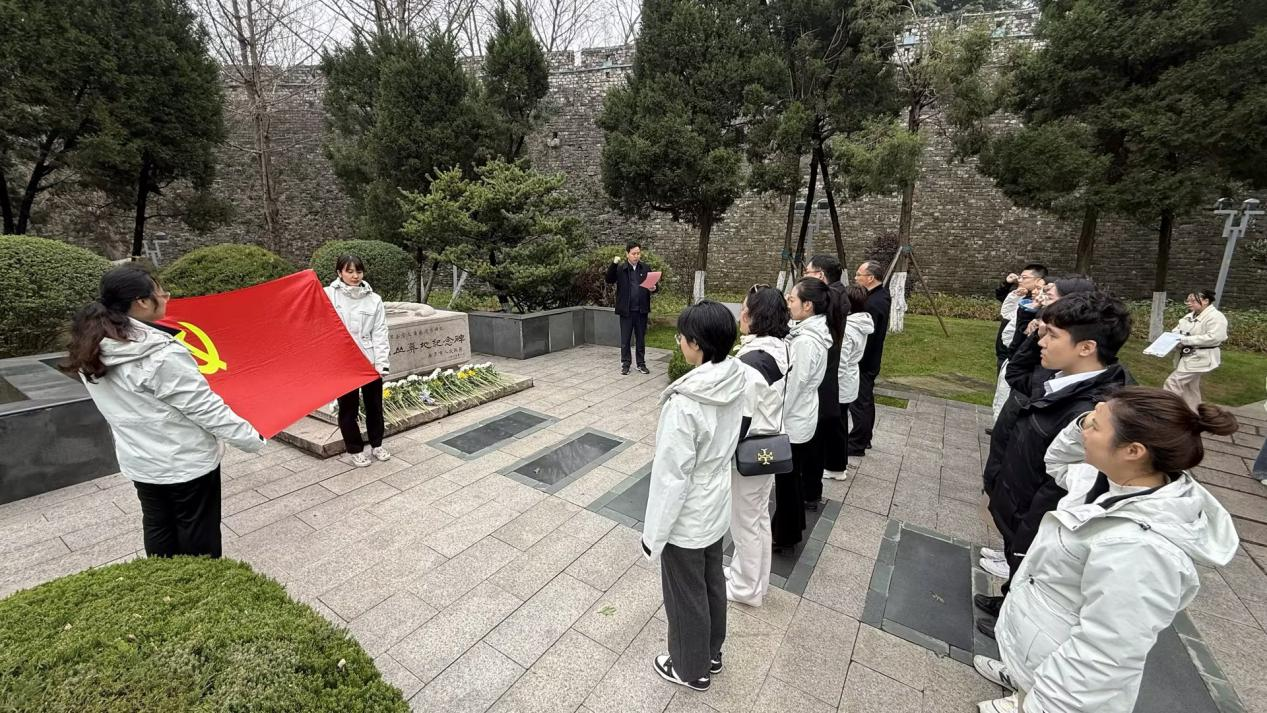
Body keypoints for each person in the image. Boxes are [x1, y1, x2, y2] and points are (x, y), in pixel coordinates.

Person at [974, 387, 1239, 713]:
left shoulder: (1143, 550)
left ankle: (1028, 698)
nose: (1083, 428)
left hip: (1061, 680)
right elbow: (1056, 461)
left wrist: (1043, 706)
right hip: (1039, 647)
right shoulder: (1104, 478)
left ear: (1133, 451)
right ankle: (1020, 681)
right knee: (1030, 679)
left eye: (1094, 425)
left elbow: (1105, 655)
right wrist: (1085, 422)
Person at [64, 265, 264, 558]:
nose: (167, 297)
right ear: (141, 302)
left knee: (158, 524)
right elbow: (204, 408)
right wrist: (251, 438)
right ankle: (200, 583)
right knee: (197, 533)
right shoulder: (160, 354)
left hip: (140, 460)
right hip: (185, 461)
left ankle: (162, 578)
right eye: (161, 292)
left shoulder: (91, 346)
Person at [978, 291, 1132, 633]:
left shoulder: (1092, 413)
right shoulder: (1059, 380)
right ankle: (1007, 600)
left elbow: (1061, 490)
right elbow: (1017, 374)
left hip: (1035, 516)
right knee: (1017, 565)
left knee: (1028, 571)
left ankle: (1013, 625)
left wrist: (1026, 531)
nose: (1041, 342)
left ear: (1086, 347)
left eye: (1052, 335)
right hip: (1017, 497)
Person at [642, 300, 746, 692]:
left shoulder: (685, 403)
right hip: (716, 499)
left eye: (682, 337)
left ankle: (691, 668)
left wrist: (653, 536)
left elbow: (671, 478)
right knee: (711, 580)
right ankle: (711, 653)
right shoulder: (735, 377)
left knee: (685, 592)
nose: (678, 342)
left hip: (688, 511)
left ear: (697, 344)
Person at [726, 286, 790, 607]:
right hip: (770, 446)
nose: (741, 314)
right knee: (758, 517)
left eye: (745, 309)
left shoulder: (751, 364)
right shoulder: (779, 349)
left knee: (744, 522)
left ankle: (746, 588)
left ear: (756, 316)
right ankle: (755, 580)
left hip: (751, 451)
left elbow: (741, 417)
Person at [775, 278, 832, 551]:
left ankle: (785, 535)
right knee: (792, 477)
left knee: (786, 481)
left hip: (794, 419)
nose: (789, 304)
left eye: (792, 300)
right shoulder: (809, 332)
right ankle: (793, 527)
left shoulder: (806, 341)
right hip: (803, 415)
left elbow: (793, 387)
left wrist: (775, 418)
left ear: (807, 305)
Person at [326, 254, 391, 468]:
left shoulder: (374, 299)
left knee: (375, 407)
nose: (355, 276)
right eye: (349, 271)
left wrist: (381, 363)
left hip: (368, 361)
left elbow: (380, 333)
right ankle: (355, 449)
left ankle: (377, 445)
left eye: (359, 271)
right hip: (343, 363)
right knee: (348, 409)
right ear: (339, 273)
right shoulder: (328, 295)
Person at [802, 255, 849, 500]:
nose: (804, 276)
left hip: (821, 380)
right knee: (820, 440)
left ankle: (810, 493)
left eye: (807, 272)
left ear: (820, 275)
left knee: (814, 443)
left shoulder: (830, 298)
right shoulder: (838, 294)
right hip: (827, 378)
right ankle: (812, 491)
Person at [847, 261, 891, 457]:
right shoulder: (879, 295)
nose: (855, 278)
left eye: (859, 275)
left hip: (865, 360)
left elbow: (867, 337)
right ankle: (865, 438)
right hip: (870, 359)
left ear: (871, 278)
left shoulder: (874, 302)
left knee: (860, 402)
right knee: (865, 400)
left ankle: (858, 443)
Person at [831, 285, 874, 481]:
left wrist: (832, 386)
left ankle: (836, 467)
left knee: (837, 426)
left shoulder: (848, 328)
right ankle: (837, 463)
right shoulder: (860, 323)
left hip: (842, 381)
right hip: (850, 378)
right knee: (840, 422)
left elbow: (841, 361)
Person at [1163, 289, 1228, 411]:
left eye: (1193, 301)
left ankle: (1166, 411)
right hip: (1187, 356)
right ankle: (1194, 413)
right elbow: (1177, 330)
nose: (1189, 303)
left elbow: (1215, 337)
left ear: (1206, 301)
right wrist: (1173, 338)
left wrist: (1186, 340)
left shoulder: (1216, 317)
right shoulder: (1189, 316)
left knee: (1173, 383)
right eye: (1187, 300)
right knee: (1189, 388)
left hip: (1201, 357)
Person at [605, 241, 657, 375]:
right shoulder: (621, 269)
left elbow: (655, 285)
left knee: (640, 339)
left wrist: (654, 288)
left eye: (638, 253)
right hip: (626, 310)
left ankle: (641, 364)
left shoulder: (645, 268)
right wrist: (614, 264)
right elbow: (609, 279)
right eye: (634, 253)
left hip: (641, 310)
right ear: (627, 254)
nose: (636, 256)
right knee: (626, 339)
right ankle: (626, 364)